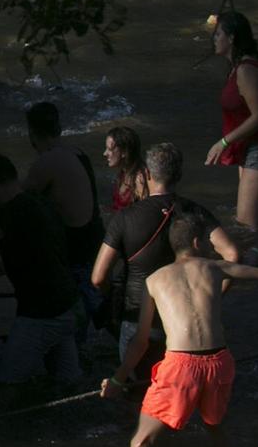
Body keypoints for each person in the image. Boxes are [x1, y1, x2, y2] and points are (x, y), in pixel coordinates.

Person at [101, 212, 258, 447]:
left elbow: (141, 341)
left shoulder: (154, 280)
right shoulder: (215, 268)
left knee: (141, 443)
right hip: (219, 362)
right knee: (215, 428)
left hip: (181, 367)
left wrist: (118, 379)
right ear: (196, 243)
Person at [92, 142, 240, 369]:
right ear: (178, 175)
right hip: (183, 321)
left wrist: (114, 298)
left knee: (137, 393)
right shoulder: (194, 211)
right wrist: (213, 296)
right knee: (183, 392)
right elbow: (232, 253)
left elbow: (98, 277)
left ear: (147, 173)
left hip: (139, 319)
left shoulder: (124, 218)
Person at [0, 153, 81, 389]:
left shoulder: (12, 212)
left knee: (6, 383)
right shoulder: (39, 202)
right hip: (68, 305)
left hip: (41, 315)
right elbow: (46, 247)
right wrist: (6, 265)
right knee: (67, 383)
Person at [19, 101, 106, 287]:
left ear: (32, 133)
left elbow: (16, 200)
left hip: (76, 251)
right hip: (96, 240)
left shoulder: (48, 161)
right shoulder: (77, 153)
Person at [204, 11, 258, 241]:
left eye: (218, 33)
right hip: (248, 148)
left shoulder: (246, 70)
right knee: (256, 222)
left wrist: (224, 142)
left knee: (246, 227)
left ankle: (256, 272)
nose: (214, 38)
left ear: (231, 38)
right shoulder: (237, 68)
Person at [103, 124, 147, 213]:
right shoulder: (123, 172)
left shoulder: (140, 179)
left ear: (124, 152)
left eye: (110, 149)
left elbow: (145, 215)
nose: (104, 153)